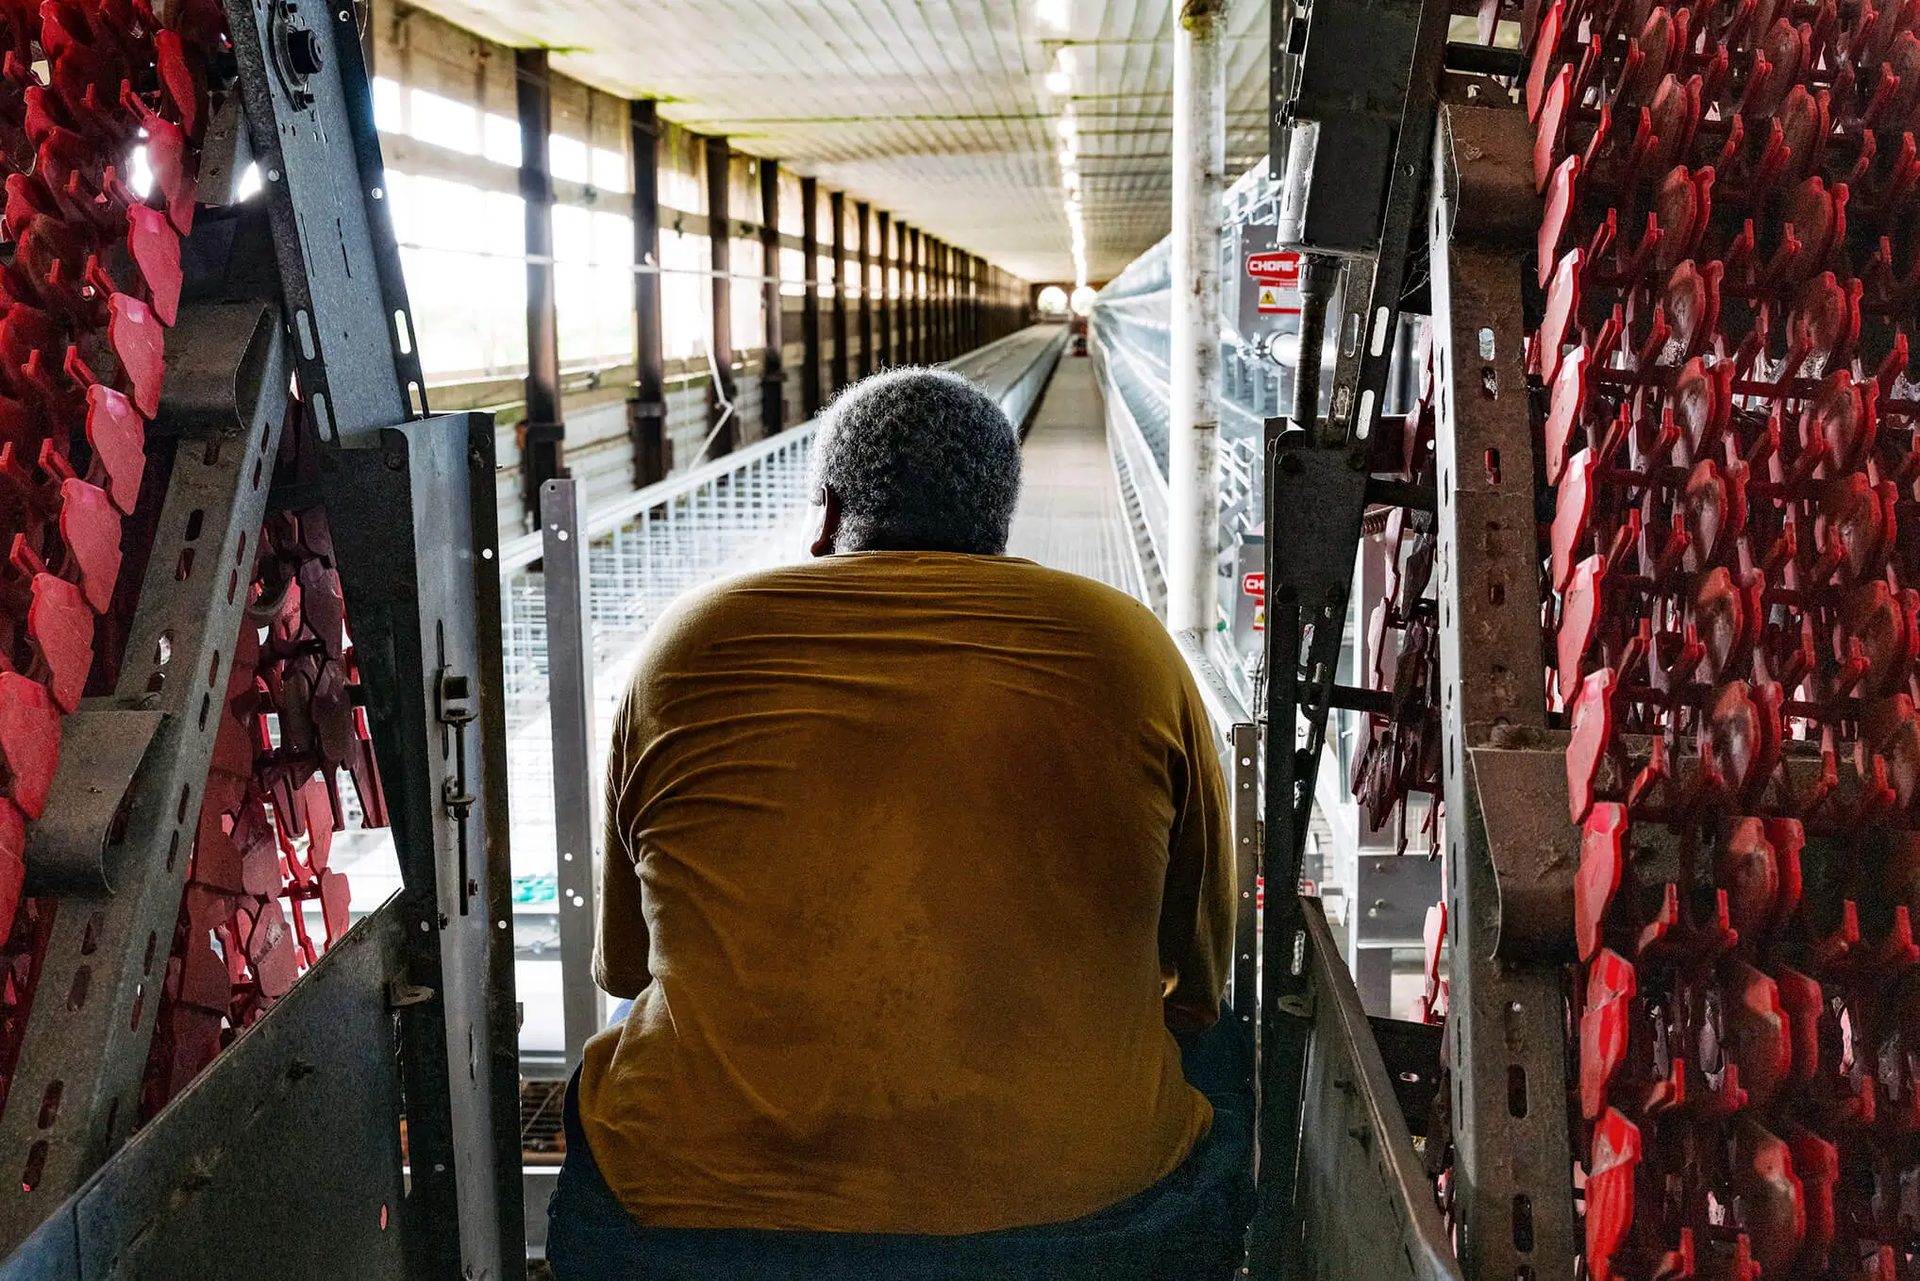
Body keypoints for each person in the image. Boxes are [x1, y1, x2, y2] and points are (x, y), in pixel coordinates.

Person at [547, 367, 1251, 1279]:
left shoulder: (686, 643)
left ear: (828, 512)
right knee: (1223, 1051)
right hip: (1083, 1224)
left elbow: (627, 962)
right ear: (996, 521)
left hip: (691, 1224)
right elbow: (1195, 978)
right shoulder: (1130, 648)